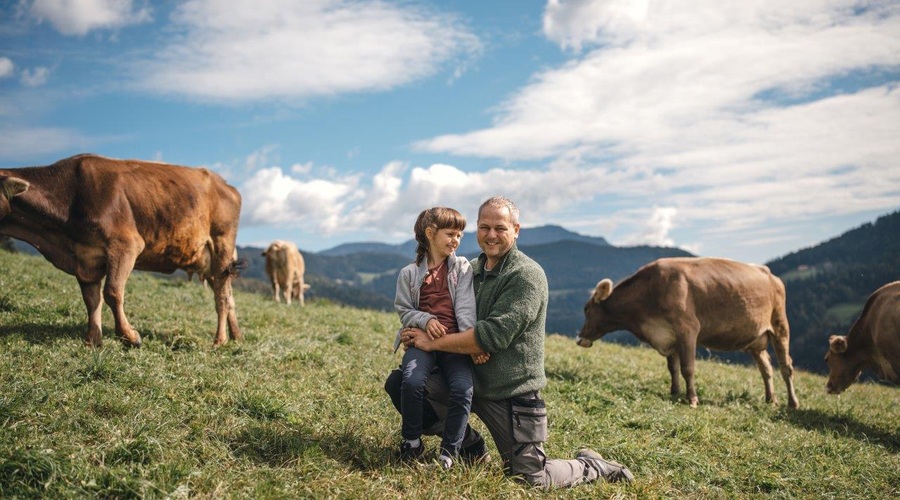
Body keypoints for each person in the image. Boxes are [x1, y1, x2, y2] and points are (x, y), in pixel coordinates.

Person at [385, 196, 633, 489]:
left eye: (500, 228)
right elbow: (435, 308)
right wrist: (415, 328)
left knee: (531, 478)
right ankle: (470, 446)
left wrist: (432, 343)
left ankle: (590, 466)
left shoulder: (526, 276)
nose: (491, 235)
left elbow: (492, 336)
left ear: (516, 230)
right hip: (467, 376)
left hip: (510, 392)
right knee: (402, 384)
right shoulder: (467, 270)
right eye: (484, 227)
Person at [392, 207, 488, 469]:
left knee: (463, 389)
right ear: (430, 233)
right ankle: (411, 442)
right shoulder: (409, 274)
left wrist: (471, 344)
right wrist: (426, 320)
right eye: (450, 234)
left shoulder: (461, 267)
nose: (456, 240)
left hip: (454, 344)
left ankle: (449, 453)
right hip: (422, 342)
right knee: (411, 381)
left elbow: (466, 308)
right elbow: (404, 310)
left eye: (459, 235)